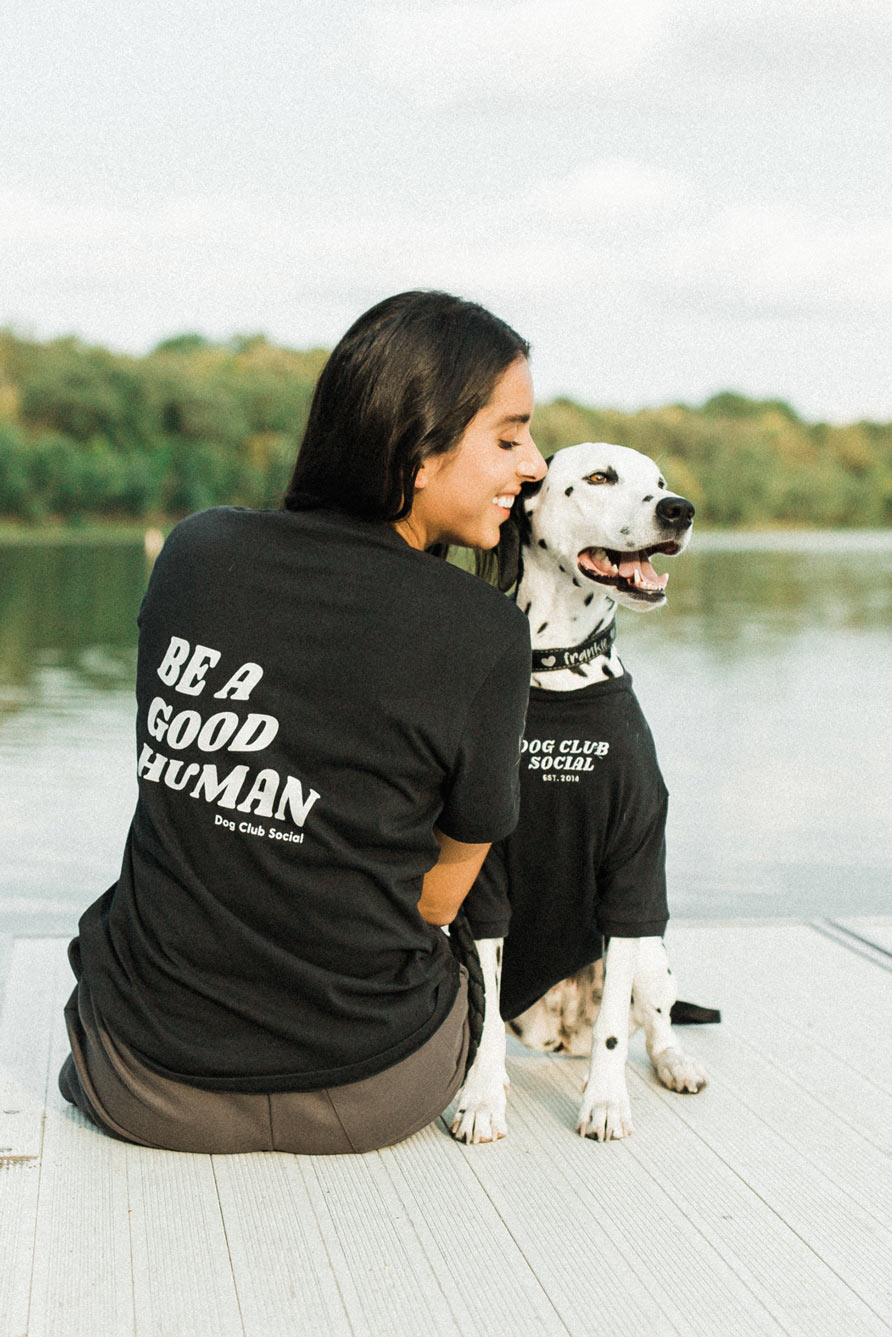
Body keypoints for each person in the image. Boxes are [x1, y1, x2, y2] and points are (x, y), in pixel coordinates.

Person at [59, 290, 547, 1154]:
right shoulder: (484, 628)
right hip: (371, 1088)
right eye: (508, 437)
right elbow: (438, 899)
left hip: (141, 1080)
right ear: (419, 448)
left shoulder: (197, 552)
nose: (535, 465)